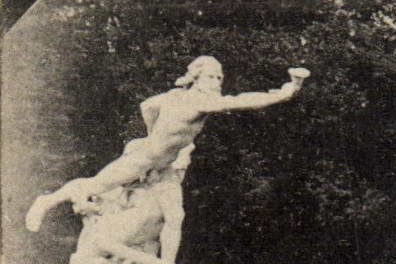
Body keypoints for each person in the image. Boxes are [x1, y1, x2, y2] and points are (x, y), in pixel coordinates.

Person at [26, 57, 308, 232]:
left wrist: (154, 136)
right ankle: (46, 201)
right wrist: (284, 94)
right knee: (95, 186)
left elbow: (147, 106)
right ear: (197, 79)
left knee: (171, 216)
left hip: (159, 162)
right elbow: (242, 101)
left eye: (220, 77)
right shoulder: (201, 100)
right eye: (212, 76)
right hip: (146, 160)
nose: (218, 81)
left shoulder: (175, 96)